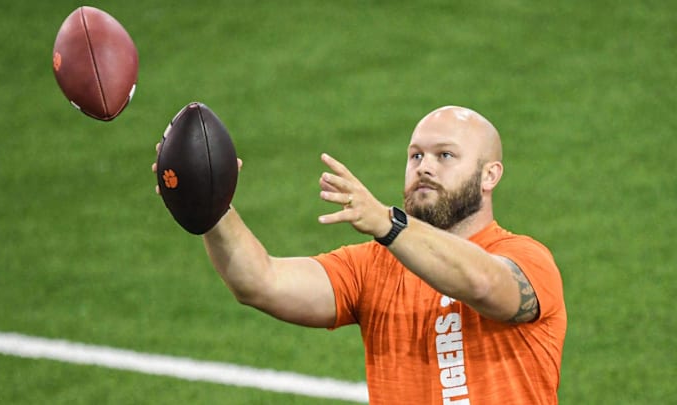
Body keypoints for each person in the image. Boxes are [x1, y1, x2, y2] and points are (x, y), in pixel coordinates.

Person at [152, 106, 567, 404]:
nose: (424, 167)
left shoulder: (527, 259)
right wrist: (212, 209)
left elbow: (482, 284)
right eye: (415, 155)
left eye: (445, 155)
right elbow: (260, 282)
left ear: (490, 175)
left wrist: (390, 224)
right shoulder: (372, 267)